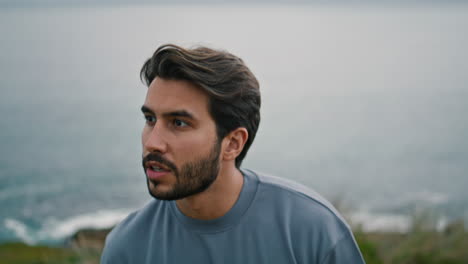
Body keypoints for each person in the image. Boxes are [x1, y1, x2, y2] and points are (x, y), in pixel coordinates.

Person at [101, 44, 365, 264]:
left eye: (179, 123)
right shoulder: (127, 248)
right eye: (150, 119)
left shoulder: (312, 230)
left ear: (233, 144)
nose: (153, 142)